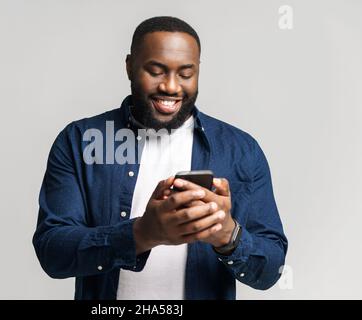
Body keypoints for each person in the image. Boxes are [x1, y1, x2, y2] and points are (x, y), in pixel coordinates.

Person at [32, 16, 288, 300]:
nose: (170, 86)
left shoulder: (241, 150)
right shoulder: (80, 140)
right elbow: (52, 252)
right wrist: (141, 234)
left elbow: (271, 270)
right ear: (129, 66)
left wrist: (228, 235)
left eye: (186, 74)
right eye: (156, 71)